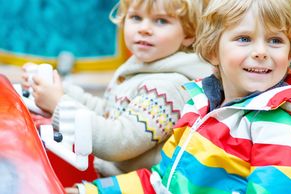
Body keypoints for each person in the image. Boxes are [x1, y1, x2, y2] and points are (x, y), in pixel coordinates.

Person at [67, 0, 291, 193]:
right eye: (244, 38)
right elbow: (162, 182)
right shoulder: (199, 106)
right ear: (213, 51)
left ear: (290, 54)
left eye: (275, 41)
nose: (261, 51)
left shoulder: (277, 129)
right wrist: (89, 191)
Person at [22, 0, 212, 177]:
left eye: (161, 21)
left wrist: (58, 104)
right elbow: (107, 112)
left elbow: (117, 142)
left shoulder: (166, 89)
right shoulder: (143, 69)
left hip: (128, 184)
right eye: (136, 17)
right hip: (110, 174)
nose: (144, 29)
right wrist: (61, 91)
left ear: (188, 34)